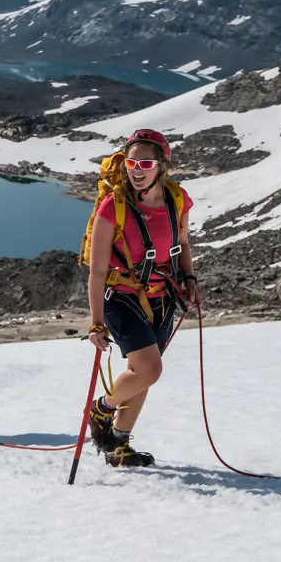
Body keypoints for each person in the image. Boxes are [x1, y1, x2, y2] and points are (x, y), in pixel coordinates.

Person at [86, 128, 200, 467]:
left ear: (162, 165)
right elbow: (95, 270)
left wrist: (190, 278)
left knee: (142, 374)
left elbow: (182, 244)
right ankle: (100, 410)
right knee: (149, 370)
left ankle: (118, 448)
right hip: (120, 296)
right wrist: (95, 323)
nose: (137, 169)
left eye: (146, 163)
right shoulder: (113, 207)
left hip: (162, 296)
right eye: (132, 162)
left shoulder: (176, 199)